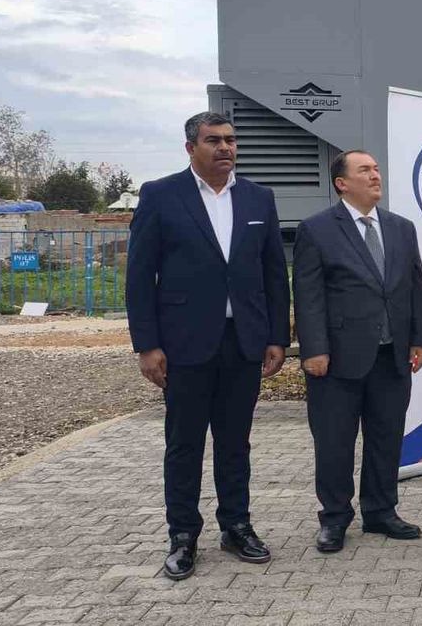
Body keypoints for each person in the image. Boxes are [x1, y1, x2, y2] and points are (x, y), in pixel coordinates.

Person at [126, 111, 290, 580]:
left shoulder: (258, 197)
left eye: (231, 140)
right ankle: (182, 535)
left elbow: (274, 273)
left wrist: (277, 335)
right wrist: (147, 344)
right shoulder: (161, 195)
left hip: (243, 343)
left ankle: (236, 526)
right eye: (213, 140)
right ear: (190, 148)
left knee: (235, 442)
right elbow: (139, 276)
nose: (225, 148)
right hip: (184, 345)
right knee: (184, 444)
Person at [293, 150, 422, 552]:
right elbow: (308, 295)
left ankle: (381, 511)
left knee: (386, 438)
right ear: (341, 183)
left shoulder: (401, 228)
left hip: (391, 356)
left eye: (376, 169)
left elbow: (416, 287)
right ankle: (335, 518)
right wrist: (314, 349)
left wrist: (419, 339)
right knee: (334, 442)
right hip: (337, 360)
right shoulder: (317, 229)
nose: (375, 175)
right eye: (364, 170)